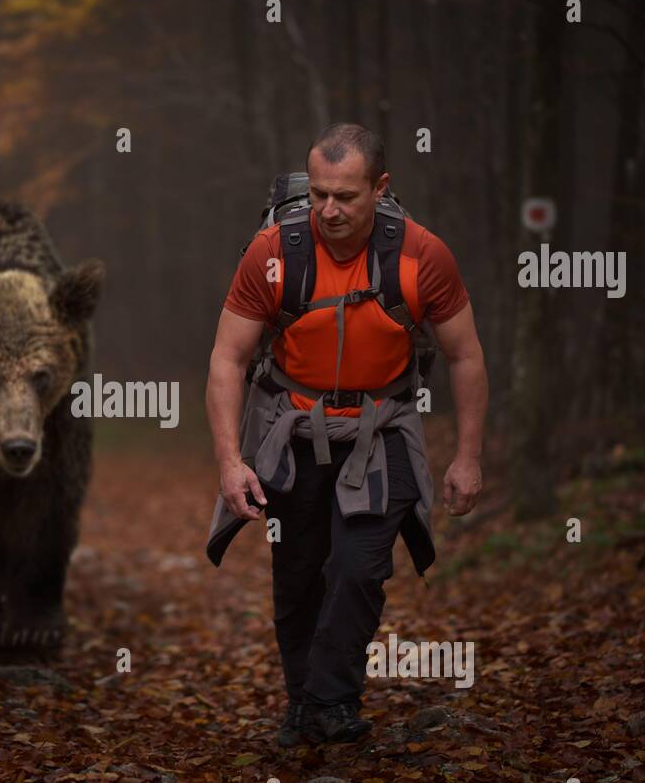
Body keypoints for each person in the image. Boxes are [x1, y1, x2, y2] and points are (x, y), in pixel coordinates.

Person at [204, 123, 488, 747]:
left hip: (381, 430)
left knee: (359, 570)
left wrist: (467, 458)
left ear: (380, 188)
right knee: (299, 572)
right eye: (319, 195)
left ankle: (331, 701)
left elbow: (465, 356)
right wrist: (230, 461)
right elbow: (227, 358)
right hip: (290, 430)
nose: (329, 209)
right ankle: (303, 703)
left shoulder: (421, 255)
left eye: (346, 196)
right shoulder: (274, 253)